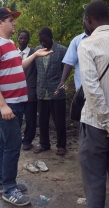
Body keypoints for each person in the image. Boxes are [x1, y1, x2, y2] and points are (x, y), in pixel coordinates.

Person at [0, 8, 53, 206]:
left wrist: (36, 55)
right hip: (7, 105)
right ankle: (9, 188)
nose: (14, 23)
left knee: (6, 143)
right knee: (13, 145)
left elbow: (18, 66)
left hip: (16, 103)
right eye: (10, 20)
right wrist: (3, 105)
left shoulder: (10, 44)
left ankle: (2, 182)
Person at [78, 0, 109, 208]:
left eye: (84, 19)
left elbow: (92, 91)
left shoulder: (87, 45)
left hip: (95, 126)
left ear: (89, 19)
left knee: (95, 182)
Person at [34, 27, 67, 155]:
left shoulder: (62, 50)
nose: (43, 43)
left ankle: (61, 146)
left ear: (51, 37)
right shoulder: (37, 51)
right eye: (41, 41)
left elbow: (66, 70)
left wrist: (62, 84)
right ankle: (44, 144)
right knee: (42, 121)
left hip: (57, 92)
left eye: (45, 40)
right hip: (41, 91)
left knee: (59, 121)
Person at [55, 20, 90, 94]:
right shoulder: (77, 41)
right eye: (84, 19)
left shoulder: (105, 40)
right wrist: (62, 81)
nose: (85, 21)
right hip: (82, 89)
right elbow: (69, 62)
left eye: (87, 19)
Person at [17, 30, 37, 150]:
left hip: (30, 91)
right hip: (16, 92)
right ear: (17, 39)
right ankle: (16, 139)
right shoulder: (13, 53)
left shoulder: (34, 53)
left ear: (28, 39)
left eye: (25, 38)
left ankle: (27, 141)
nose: (23, 40)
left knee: (30, 119)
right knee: (16, 118)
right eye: (21, 38)